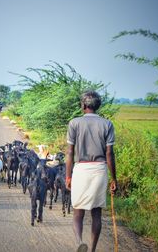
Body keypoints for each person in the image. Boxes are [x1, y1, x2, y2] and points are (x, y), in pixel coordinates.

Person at [65, 91, 117, 252]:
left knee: (78, 211)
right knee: (96, 213)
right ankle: (93, 250)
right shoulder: (107, 124)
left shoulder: (74, 123)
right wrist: (114, 179)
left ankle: (79, 241)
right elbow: (109, 154)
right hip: (99, 170)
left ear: (83, 105)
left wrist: (68, 176)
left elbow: (70, 152)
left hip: (80, 169)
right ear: (98, 106)